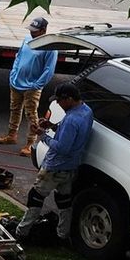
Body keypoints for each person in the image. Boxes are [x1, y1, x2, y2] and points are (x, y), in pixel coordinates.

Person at [19, 82, 92, 241]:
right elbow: (71, 135)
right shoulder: (86, 112)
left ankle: (22, 232)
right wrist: (52, 126)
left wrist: (42, 134)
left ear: (69, 99)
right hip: (70, 167)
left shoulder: (72, 119)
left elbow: (62, 148)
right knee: (64, 201)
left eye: (60, 100)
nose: (58, 103)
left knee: (36, 197)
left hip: (55, 168)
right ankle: (62, 235)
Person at [0, 16, 57, 143]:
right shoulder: (27, 39)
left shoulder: (50, 47)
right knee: (14, 109)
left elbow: (49, 70)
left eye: (35, 30)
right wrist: (13, 74)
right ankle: (11, 135)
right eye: (31, 29)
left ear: (43, 30)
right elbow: (19, 57)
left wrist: (36, 85)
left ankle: (31, 142)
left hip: (31, 87)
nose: (32, 32)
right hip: (16, 82)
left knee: (30, 114)